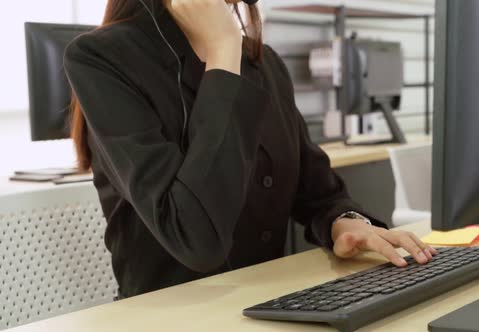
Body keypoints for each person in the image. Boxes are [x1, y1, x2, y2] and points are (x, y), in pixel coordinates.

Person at [64, 0, 436, 299]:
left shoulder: (265, 62)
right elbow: (196, 240)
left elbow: (318, 194)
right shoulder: (103, 58)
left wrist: (345, 224)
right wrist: (223, 50)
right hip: (171, 316)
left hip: (264, 303)